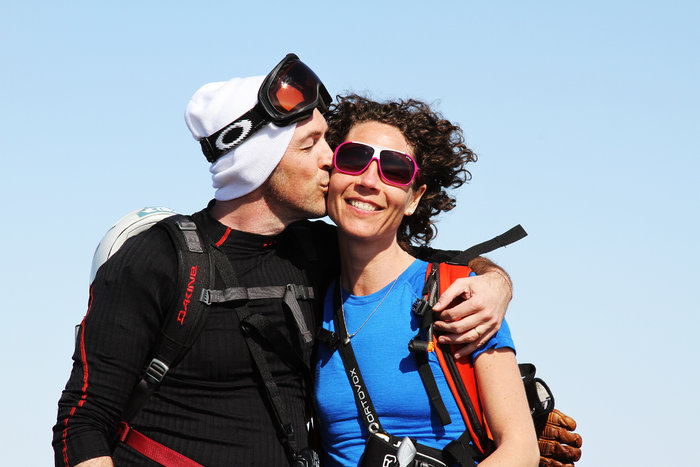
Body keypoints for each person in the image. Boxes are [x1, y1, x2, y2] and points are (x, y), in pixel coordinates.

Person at [52, 54, 513, 467]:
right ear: (262, 161)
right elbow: (82, 422)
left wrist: (495, 283)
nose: (331, 160)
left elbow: (423, 262)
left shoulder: (319, 252)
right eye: (311, 145)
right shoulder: (156, 258)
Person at [314, 95, 539, 466]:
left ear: (414, 199)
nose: (368, 180)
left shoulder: (459, 294)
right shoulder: (304, 292)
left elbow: (521, 449)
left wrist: (498, 280)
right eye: (353, 159)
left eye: (394, 170)